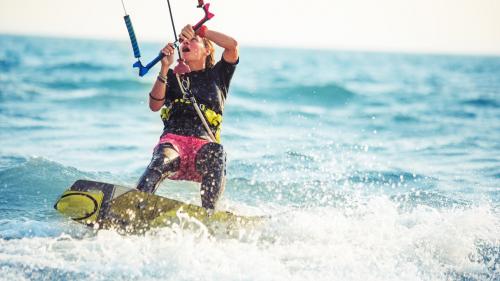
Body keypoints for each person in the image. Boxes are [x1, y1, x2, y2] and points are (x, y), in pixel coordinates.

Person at [136, 24, 239, 210]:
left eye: (193, 41)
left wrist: (202, 31)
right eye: (183, 41)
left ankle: (209, 213)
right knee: (161, 159)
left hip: (203, 149)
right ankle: (135, 204)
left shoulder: (218, 75)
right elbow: (154, 105)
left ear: (207, 49)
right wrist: (164, 67)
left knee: (218, 154)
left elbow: (232, 46)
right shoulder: (170, 76)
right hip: (173, 144)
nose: (186, 43)